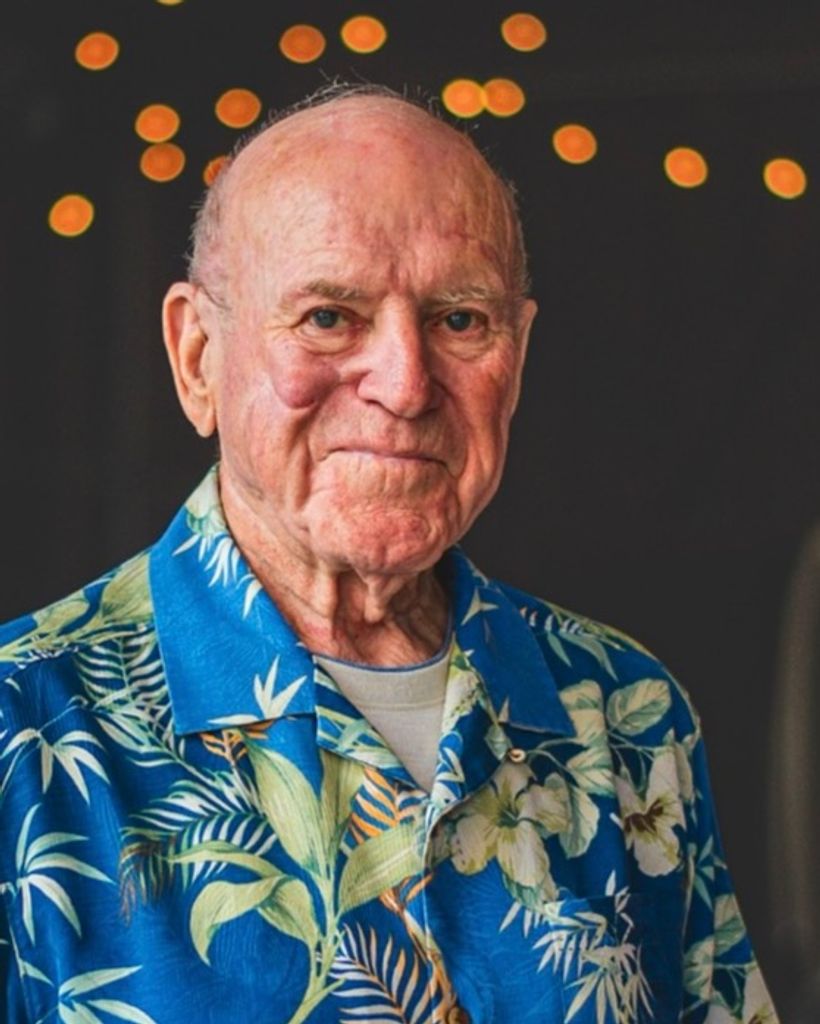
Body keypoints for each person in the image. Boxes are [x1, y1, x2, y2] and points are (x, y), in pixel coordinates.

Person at [0, 84, 777, 1024]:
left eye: (460, 320)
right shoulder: (23, 732)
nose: (406, 386)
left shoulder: (626, 715)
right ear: (198, 355)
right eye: (329, 316)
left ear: (517, 359)